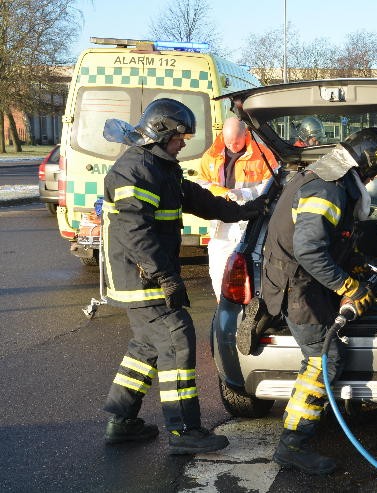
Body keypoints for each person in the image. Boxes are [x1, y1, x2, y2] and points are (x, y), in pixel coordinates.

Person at [101, 98, 268, 454]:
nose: (184, 143)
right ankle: (185, 431)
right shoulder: (135, 169)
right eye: (181, 136)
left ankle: (122, 421)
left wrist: (246, 211)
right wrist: (166, 277)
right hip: (140, 277)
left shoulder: (162, 168)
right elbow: (134, 232)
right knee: (177, 340)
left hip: (147, 275)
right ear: (161, 131)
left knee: (147, 347)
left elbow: (201, 200)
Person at [261, 127, 377, 474]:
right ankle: (293, 443)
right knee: (324, 360)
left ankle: (304, 424)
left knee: (323, 359)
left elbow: (326, 238)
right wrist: (348, 286)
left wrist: (353, 263)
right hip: (299, 290)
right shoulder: (329, 186)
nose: (375, 181)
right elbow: (308, 248)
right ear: (366, 166)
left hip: (305, 285)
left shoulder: (332, 179)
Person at [197, 117, 279, 300]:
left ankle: (250, 312)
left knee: (251, 273)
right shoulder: (211, 154)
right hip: (221, 224)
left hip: (250, 222)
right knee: (218, 272)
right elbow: (201, 184)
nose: (233, 146)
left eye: (237, 141)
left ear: (246, 135)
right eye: (228, 142)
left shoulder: (262, 154)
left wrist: (243, 194)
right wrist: (222, 193)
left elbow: (273, 185)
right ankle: (223, 308)